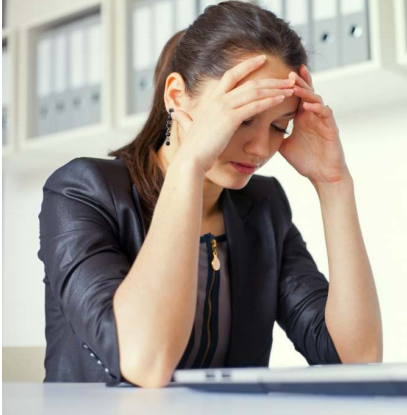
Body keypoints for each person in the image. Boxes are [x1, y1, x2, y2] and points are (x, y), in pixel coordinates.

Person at [38, 0, 382, 388]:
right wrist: (190, 164)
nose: (260, 149)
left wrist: (333, 184)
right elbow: (145, 362)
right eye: (243, 118)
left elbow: (357, 358)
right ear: (176, 97)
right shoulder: (82, 192)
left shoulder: (263, 207)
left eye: (278, 126)